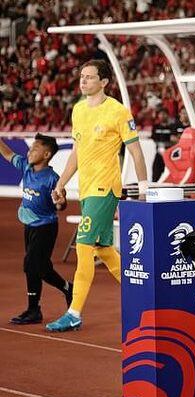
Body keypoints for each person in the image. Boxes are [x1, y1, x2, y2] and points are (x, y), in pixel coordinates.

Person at [48, 59, 149, 332]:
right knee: (105, 250)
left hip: (105, 189)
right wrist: (61, 181)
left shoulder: (117, 111)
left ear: (104, 82)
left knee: (83, 246)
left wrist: (143, 186)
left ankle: (74, 312)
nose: (83, 81)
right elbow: (78, 152)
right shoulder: (79, 110)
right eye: (82, 76)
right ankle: (146, 297)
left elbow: (136, 151)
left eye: (90, 77)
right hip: (87, 188)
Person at [0, 134, 72, 325]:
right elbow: (7, 153)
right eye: (30, 147)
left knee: (31, 265)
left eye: (35, 148)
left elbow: (61, 205)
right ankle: (68, 288)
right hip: (29, 227)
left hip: (45, 227)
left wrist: (60, 202)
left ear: (47, 154)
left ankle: (34, 310)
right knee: (42, 268)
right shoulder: (26, 167)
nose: (30, 150)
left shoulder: (53, 179)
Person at [151, 108, 176, 182]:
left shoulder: (172, 127)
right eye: (160, 114)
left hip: (170, 154)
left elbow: (174, 139)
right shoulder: (155, 127)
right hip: (159, 153)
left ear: (167, 115)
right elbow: (154, 138)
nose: (162, 116)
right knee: (155, 172)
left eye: (164, 114)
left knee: (170, 173)